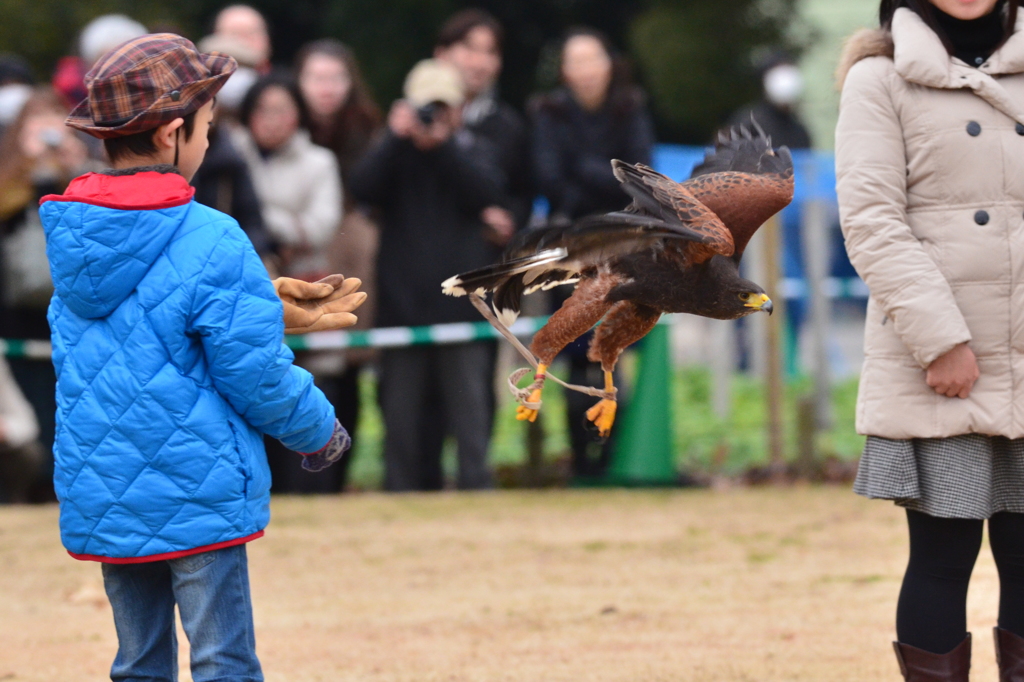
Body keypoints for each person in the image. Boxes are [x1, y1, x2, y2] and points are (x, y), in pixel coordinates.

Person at [39, 34, 359, 680]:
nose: (212, 142)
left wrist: (259, 302)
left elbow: (140, 331)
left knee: (139, 663)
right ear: (172, 135)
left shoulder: (74, 239)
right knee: (223, 661)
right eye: (208, 128)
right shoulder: (211, 234)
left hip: (108, 494)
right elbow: (254, 371)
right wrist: (319, 430)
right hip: (197, 490)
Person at [836, 0, 1024, 678]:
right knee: (944, 555)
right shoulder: (879, 77)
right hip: (944, 359)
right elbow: (871, 221)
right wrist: (941, 341)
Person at [349, 58, 504, 491]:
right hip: (403, 305)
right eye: (426, 107)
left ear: (458, 110)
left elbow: (487, 193)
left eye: (443, 107)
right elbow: (362, 187)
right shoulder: (392, 153)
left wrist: (444, 146)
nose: (433, 116)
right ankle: (400, 489)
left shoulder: (472, 149)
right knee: (399, 414)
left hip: (462, 304)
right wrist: (396, 141)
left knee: (470, 412)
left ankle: (477, 487)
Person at [528, 27, 655, 481]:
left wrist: (584, 170)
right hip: (571, 250)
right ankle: (580, 460)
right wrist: (604, 172)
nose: (584, 71)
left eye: (592, 59)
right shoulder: (549, 113)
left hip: (623, 247)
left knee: (615, 351)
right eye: (575, 61)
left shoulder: (630, 108)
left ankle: (615, 454)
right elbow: (547, 176)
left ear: (609, 63)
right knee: (571, 348)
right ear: (564, 69)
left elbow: (640, 175)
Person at [235, 73, 349, 492]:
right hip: (248, 288)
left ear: (298, 114)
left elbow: (321, 227)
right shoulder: (229, 154)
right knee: (256, 380)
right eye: (263, 109)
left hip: (308, 284)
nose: (272, 120)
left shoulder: (319, 161)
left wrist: (259, 218)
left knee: (311, 382)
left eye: (282, 109)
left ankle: (317, 484)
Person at [0, 87, 95, 502]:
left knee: (68, 402)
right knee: (27, 404)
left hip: (72, 311)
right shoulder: (8, 177)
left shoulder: (81, 172)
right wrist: (26, 166)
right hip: (16, 314)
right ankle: (33, 482)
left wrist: (75, 169)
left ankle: (64, 483)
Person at [296, 38, 382, 491]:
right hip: (300, 258)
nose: (326, 88)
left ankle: (339, 473)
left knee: (346, 368)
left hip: (354, 258)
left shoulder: (371, 134)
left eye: (335, 77)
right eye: (316, 77)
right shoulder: (281, 127)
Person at [434, 9, 532, 240]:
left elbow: (524, 196)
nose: (481, 63)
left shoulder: (510, 126)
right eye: (470, 48)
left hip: (477, 259)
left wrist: (511, 219)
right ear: (441, 54)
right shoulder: (411, 119)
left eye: (491, 52)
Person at [214, 5, 272, 74]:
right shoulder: (203, 81)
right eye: (235, 34)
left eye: (251, 33)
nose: (243, 42)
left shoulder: (281, 81)